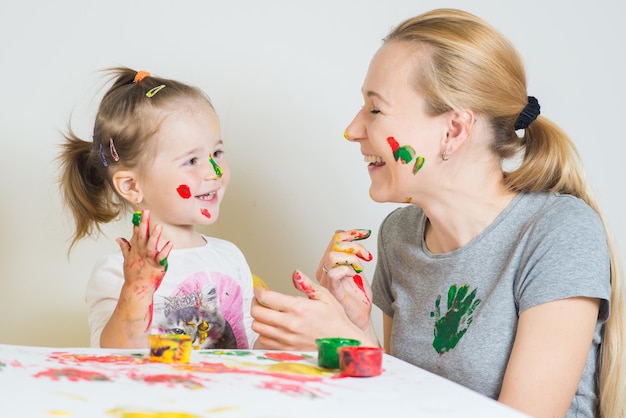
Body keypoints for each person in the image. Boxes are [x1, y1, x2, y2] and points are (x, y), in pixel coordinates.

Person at [250, 8, 625, 418]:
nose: (353, 129)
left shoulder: (557, 232)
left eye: (375, 110)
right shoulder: (400, 234)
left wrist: (347, 345)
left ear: (454, 130)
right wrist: (358, 333)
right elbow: (401, 400)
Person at [58, 67, 258, 350]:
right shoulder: (117, 273)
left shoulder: (230, 257)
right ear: (131, 186)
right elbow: (114, 356)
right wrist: (136, 289)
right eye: (191, 160)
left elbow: (251, 347)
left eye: (216, 153)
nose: (214, 171)